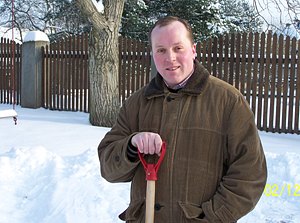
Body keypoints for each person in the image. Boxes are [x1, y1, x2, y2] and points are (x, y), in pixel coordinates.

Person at [98, 16, 267, 222]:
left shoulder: (228, 101)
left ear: (193, 49)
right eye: (161, 50)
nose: (170, 58)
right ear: (152, 54)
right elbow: (108, 168)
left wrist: (212, 217)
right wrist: (131, 146)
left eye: (178, 48)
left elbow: (249, 174)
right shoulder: (137, 103)